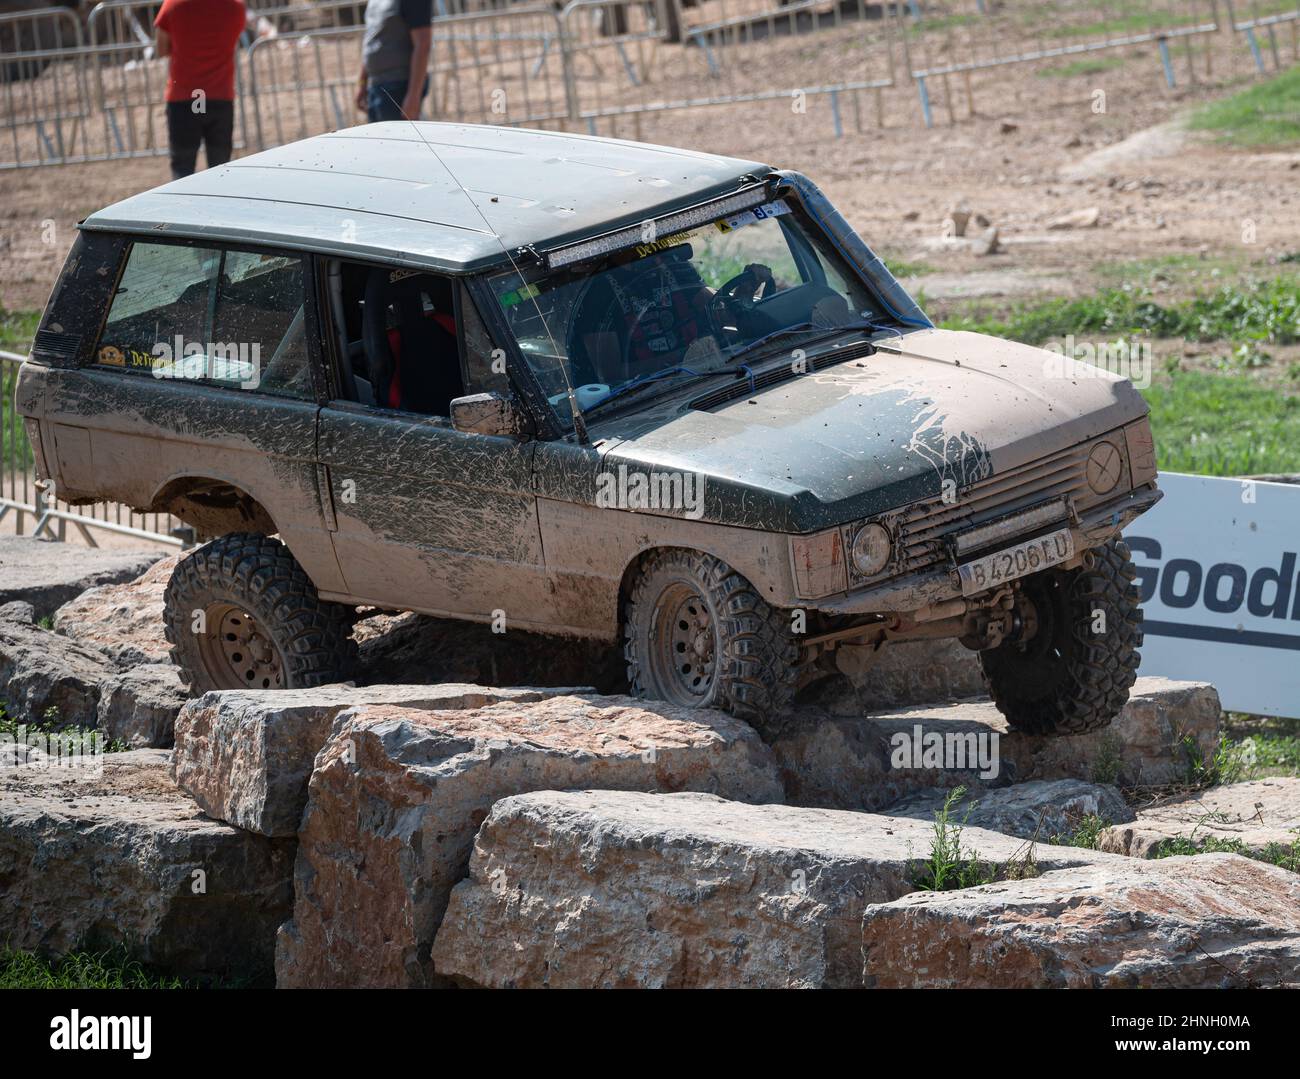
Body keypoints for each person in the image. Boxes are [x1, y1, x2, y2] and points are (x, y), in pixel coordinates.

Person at [154, 0, 247, 180]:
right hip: (219, 95)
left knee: (182, 169)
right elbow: (234, 38)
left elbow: (161, 48)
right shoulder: (235, 6)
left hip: (184, 97)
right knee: (220, 170)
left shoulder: (173, 4)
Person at [355, 0, 433, 123]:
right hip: (376, 86)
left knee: (400, 140)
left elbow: (423, 43)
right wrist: (362, 82)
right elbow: (372, 40)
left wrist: (413, 96)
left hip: (399, 85)